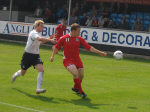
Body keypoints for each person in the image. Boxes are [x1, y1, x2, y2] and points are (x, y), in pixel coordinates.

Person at [50, 23, 107, 98]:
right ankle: (81, 92)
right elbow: (56, 47)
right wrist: (52, 56)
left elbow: (89, 47)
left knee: (81, 76)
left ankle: (75, 88)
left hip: (77, 60)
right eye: (78, 31)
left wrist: (100, 53)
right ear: (73, 31)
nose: (79, 32)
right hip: (67, 60)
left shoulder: (79, 38)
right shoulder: (63, 38)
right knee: (75, 73)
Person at [11, 20, 56, 94]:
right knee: (23, 73)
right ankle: (16, 75)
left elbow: (40, 42)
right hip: (27, 55)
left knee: (41, 70)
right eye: (41, 26)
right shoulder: (33, 33)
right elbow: (39, 39)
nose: (43, 28)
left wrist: (49, 38)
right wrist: (50, 39)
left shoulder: (38, 34)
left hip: (35, 56)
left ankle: (38, 89)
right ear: (37, 26)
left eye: (43, 26)